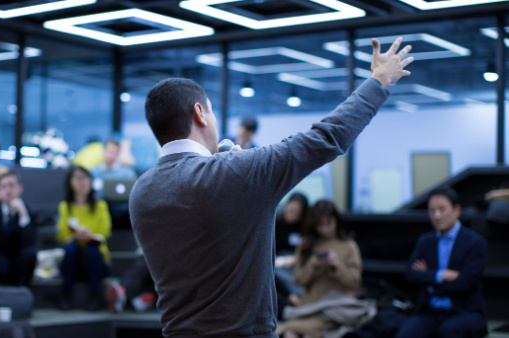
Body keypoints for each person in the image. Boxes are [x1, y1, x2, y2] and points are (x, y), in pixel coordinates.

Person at [129, 37, 413, 337]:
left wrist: (237, 173)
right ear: (200, 113)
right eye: (211, 111)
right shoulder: (238, 172)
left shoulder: (141, 192)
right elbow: (327, 138)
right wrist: (379, 79)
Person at [395, 186, 487, 338]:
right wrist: (441, 275)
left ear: (456, 210)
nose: (437, 215)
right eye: (432, 210)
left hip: (465, 311)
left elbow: (464, 283)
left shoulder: (475, 243)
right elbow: (411, 275)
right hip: (431, 311)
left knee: (449, 330)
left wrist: (429, 284)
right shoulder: (426, 241)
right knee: (405, 334)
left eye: (442, 209)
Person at [278, 200, 362, 338]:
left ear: (336, 220)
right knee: (291, 332)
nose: (325, 229)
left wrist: (336, 267)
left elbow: (354, 283)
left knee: (302, 331)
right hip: (309, 308)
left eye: (329, 223)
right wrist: (312, 266)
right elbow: (298, 280)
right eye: (320, 225)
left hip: (335, 309)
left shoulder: (349, 246)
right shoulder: (306, 244)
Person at [56, 166, 112, 310]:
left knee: (92, 250)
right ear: (70, 182)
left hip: (96, 262)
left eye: (86, 178)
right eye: (78, 178)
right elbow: (62, 235)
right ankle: (65, 294)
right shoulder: (65, 206)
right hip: (73, 262)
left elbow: (105, 232)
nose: (82, 182)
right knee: (70, 249)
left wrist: (89, 236)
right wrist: (76, 235)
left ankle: (95, 295)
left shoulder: (100, 206)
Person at [0, 171, 37, 286]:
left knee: (30, 253)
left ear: (20, 188)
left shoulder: (30, 211)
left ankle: (21, 292)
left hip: (16, 261)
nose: (8, 190)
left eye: (11, 185)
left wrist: (23, 214)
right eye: (3, 187)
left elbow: (29, 243)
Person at [274, 193, 309, 318]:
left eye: (298, 213)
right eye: (291, 210)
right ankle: (290, 297)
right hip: (277, 264)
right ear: (286, 205)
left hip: (297, 264)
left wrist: (296, 258)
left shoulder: (304, 228)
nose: (293, 215)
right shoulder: (275, 223)